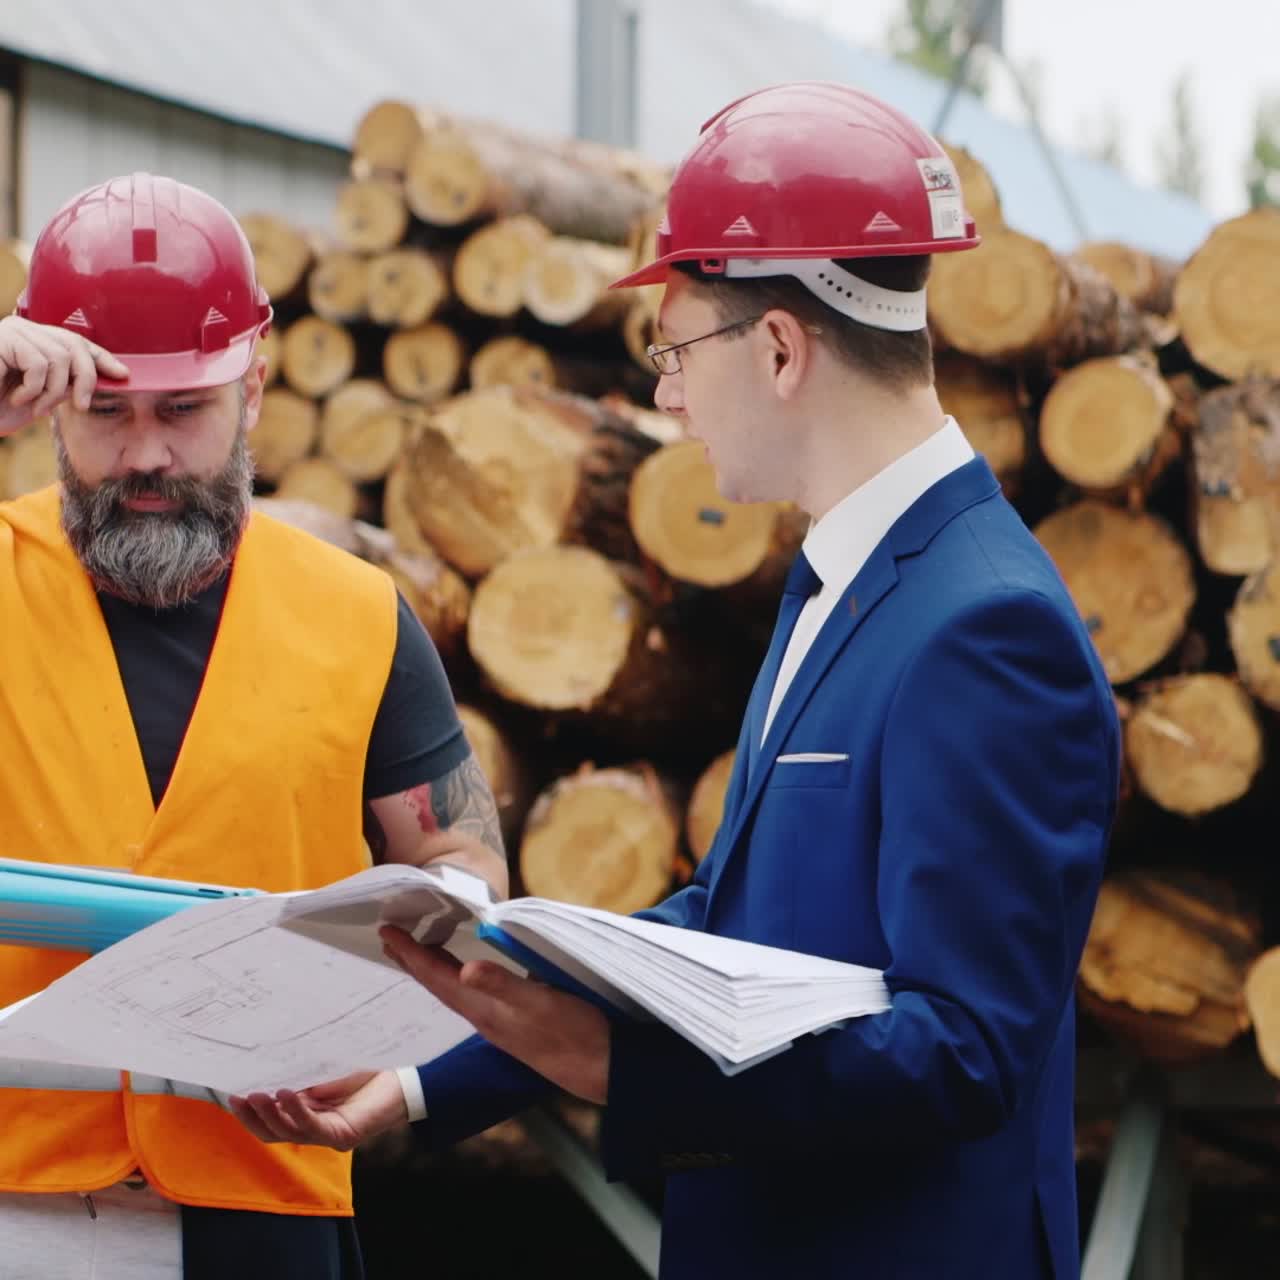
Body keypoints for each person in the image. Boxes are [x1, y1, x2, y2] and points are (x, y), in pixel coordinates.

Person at [233, 83, 1121, 1279]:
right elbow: (731, 923)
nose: (663, 395)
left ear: (778, 348)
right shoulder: (847, 576)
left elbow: (961, 1051)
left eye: (674, 350)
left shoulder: (985, 629)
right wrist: (419, 1073)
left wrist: (622, 1069)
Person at [0, 172, 508, 1280]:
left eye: (183, 409)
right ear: (46, 404)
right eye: (106, 411)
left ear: (256, 390)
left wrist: (386, 1044)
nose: (145, 455)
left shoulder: (358, 613)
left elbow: (462, 865)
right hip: (13, 1191)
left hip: (264, 1192)